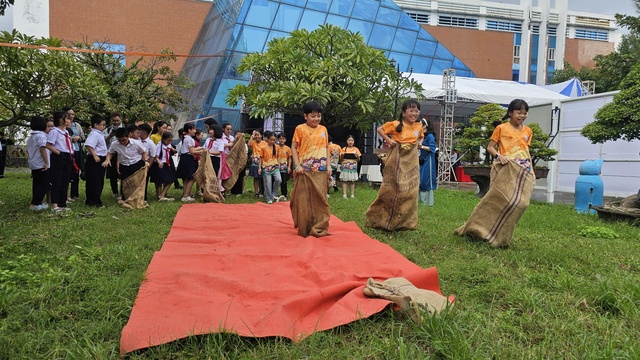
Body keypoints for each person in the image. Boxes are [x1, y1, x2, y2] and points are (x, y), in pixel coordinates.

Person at [455, 99, 536, 247]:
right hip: (507, 167)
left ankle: (501, 234)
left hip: (523, 169)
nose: (522, 115)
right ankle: (478, 228)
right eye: (519, 112)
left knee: (521, 203)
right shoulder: (501, 128)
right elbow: (490, 147)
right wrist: (499, 156)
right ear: (510, 113)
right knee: (498, 200)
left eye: (525, 113)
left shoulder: (528, 131)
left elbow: (527, 151)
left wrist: (532, 170)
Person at [365, 99, 423, 231]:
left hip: (411, 160)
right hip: (397, 157)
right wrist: (389, 140)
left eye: (416, 110)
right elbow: (380, 130)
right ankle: (380, 218)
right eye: (411, 110)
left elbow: (421, 136)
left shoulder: (418, 126)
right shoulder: (396, 124)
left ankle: (405, 222)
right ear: (403, 112)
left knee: (410, 190)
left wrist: (419, 142)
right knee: (391, 188)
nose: (414, 113)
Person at [290, 101, 332, 237]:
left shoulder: (323, 129)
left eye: (318, 116)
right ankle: (305, 226)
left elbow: (326, 147)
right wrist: (297, 166)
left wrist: (328, 165)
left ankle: (320, 226)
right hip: (304, 170)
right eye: (313, 116)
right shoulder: (299, 129)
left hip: (320, 170)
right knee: (304, 200)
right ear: (305, 116)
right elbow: (294, 148)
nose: (316, 119)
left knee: (321, 199)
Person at [102, 127, 149, 202]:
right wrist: (107, 160)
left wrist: (146, 161)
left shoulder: (136, 143)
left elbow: (143, 152)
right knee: (125, 182)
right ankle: (125, 198)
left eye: (124, 140)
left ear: (128, 136)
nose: (122, 142)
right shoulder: (115, 144)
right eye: (120, 141)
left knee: (138, 182)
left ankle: (141, 198)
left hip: (136, 163)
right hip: (124, 165)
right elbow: (110, 152)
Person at [46, 111, 73, 212]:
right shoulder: (55, 131)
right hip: (59, 156)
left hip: (68, 156)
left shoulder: (66, 132)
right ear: (61, 120)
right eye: (67, 118)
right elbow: (48, 145)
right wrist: (58, 153)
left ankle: (62, 203)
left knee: (65, 181)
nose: (69, 120)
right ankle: (54, 204)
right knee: (57, 180)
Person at [26, 116, 51, 211]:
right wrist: (47, 163)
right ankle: (35, 203)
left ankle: (37, 202)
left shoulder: (31, 136)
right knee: (44, 184)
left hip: (33, 162)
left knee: (37, 183)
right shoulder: (41, 136)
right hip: (41, 163)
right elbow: (42, 149)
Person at [84, 114, 108, 207]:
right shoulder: (94, 134)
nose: (104, 127)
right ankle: (94, 201)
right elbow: (89, 145)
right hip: (96, 158)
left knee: (98, 180)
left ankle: (93, 200)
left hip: (100, 158)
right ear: (96, 125)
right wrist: (94, 155)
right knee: (95, 181)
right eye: (102, 124)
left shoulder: (99, 134)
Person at [63, 106, 85, 202]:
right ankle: (65, 194)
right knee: (67, 173)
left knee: (76, 172)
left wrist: (78, 138)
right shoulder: (62, 125)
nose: (71, 116)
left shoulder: (77, 125)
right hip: (66, 151)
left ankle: (74, 193)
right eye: (69, 114)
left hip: (77, 150)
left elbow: (83, 137)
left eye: (73, 114)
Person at [176, 123, 201, 202]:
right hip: (188, 158)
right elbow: (191, 151)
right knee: (192, 177)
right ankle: (186, 195)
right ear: (189, 130)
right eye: (194, 129)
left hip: (184, 158)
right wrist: (201, 150)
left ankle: (185, 194)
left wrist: (199, 149)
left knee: (186, 178)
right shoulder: (190, 139)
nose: (195, 131)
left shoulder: (185, 138)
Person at [152, 132, 177, 201]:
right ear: (163, 139)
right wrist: (159, 162)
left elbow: (172, 149)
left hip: (167, 164)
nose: (169, 142)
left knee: (171, 179)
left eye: (170, 141)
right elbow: (156, 156)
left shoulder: (168, 145)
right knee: (160, 180)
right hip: (161, 164)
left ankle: (162, 194)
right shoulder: (159, 146)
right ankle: (160, 195)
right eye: (168, 141)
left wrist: (175, 150)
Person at [258, 131, 282, 204]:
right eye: (271, 139)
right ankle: (268, 198)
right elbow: (261, 158)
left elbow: (278, 157)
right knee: (268, 183)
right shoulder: (263, 147)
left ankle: (274, 194)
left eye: (274, 140)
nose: (272, 141)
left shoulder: (277, 147)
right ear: (267, 139)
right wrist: (259, 168)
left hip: (275, 166)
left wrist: (279, 165)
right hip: (266, 167)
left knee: (278, 179)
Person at [104, 112, 124, 198]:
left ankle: (123, 191)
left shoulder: (125, 129)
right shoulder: (108, 130)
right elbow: (103, 141)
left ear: (121, 119)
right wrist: (110, 136)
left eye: (117, 120)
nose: (116, 122)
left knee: (123, 173)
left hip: (122, 154)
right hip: (111, 154)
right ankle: (114, 191)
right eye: (114, 121)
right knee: (113, 174)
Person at [419, 119, 437, 206]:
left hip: (428, 160)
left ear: (425, 125)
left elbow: (432, 148)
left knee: (426, 180)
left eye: (420, 124)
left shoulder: (430, 136)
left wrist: (421, 146)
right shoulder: (421, 135)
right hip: (421, 159)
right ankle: (421, 201)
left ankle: (428, 203)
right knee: (420, 179)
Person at [138, 123, 156, 202]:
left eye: (139, 132)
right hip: (136, 162)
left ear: (144, 132)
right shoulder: (137, 141)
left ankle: (143, 198)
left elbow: (152, 156)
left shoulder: (150, 143)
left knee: (144, 182)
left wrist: (148, 166)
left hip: (145, 163)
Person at [339, 135, 361, 199]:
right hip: (345, 166)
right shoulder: (343, 149)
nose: (350, 142)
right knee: (344, 180)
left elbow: (358, 159)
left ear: (354, 141)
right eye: (349, 140)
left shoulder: (356, 149)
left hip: (353, 166)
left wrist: (357, 156)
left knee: (352, 181)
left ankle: (352, 195)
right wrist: (342, 155)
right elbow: (341, 159)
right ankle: (344, 194)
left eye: (352, 140)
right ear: (347, 141)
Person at [248, 129, 265, 197]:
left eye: (258, 135)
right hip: (255, 163)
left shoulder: (264, 143)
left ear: (261, 136)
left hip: (262, 163)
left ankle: (262, 191)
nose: (257, 136)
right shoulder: (253, 142)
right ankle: (256, 192)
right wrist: (252, 135)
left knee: (262, 178)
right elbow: (248, 144)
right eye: (256, 135)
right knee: (256, 178)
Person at [229, 130, 247, 196]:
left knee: (240, 177)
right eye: (237, 135)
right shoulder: (233, 143)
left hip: (241, 163)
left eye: (240, 135)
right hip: (233, 163)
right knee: (233, 176)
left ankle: (239, 191)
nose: (238, 136)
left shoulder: (244, 144)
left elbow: (245, 155)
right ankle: (233, 191)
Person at [277, 132, 291, 201]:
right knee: (277, 181)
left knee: (284, 182)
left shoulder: (288, 149)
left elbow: (290, 158)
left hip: (285, 168)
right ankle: (275, 194)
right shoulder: (276, 148)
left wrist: (289, 167)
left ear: (285, 140)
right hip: (276, 168)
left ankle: (284, 194)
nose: (281, 140)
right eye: (280, 138)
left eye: (283, 139)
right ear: (278, 139)